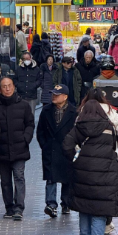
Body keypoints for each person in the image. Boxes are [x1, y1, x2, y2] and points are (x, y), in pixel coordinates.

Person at [63, 89, 118, 235]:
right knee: (99, 210)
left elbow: (66, 145)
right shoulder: (110, 126)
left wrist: (75, 159)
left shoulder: (79, 126)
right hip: (105, 173)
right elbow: (114, 145)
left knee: (84, 208)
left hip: (82, 173)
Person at [0, 77, 35, 221]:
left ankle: (19, 207)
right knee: (5, 181)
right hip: (2, 150)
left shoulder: (24, 105)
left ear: (14, 87)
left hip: (19, 148)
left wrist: (25, 138)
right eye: (4, 86)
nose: (7, 89)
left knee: (19, 177)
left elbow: (30, 124)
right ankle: (8, 207)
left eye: (9, 86)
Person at [37, 84, 78, 218]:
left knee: (67, 178)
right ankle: (51, 205)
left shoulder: (73, 112)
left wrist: (72, 147)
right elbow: (40, 131)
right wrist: (45, 145)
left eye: (57, 94)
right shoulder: (46, 110)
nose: (53, 96)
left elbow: (77, 132)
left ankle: (65, 203)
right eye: (53, 94)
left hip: (67, 151)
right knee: (51, 178)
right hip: (51, 149)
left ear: (65, 97)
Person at [13, 52, 41, 121]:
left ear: (31, 58)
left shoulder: (36, 69)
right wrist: (19, 86)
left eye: (28, 58)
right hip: (21, 96)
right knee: (21, 115)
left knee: (31, 115)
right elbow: (14, 80)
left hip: (32, 96)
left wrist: (33, 86)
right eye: (25, 59)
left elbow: (40, 80)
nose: (26, 60)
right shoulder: (19, 69)